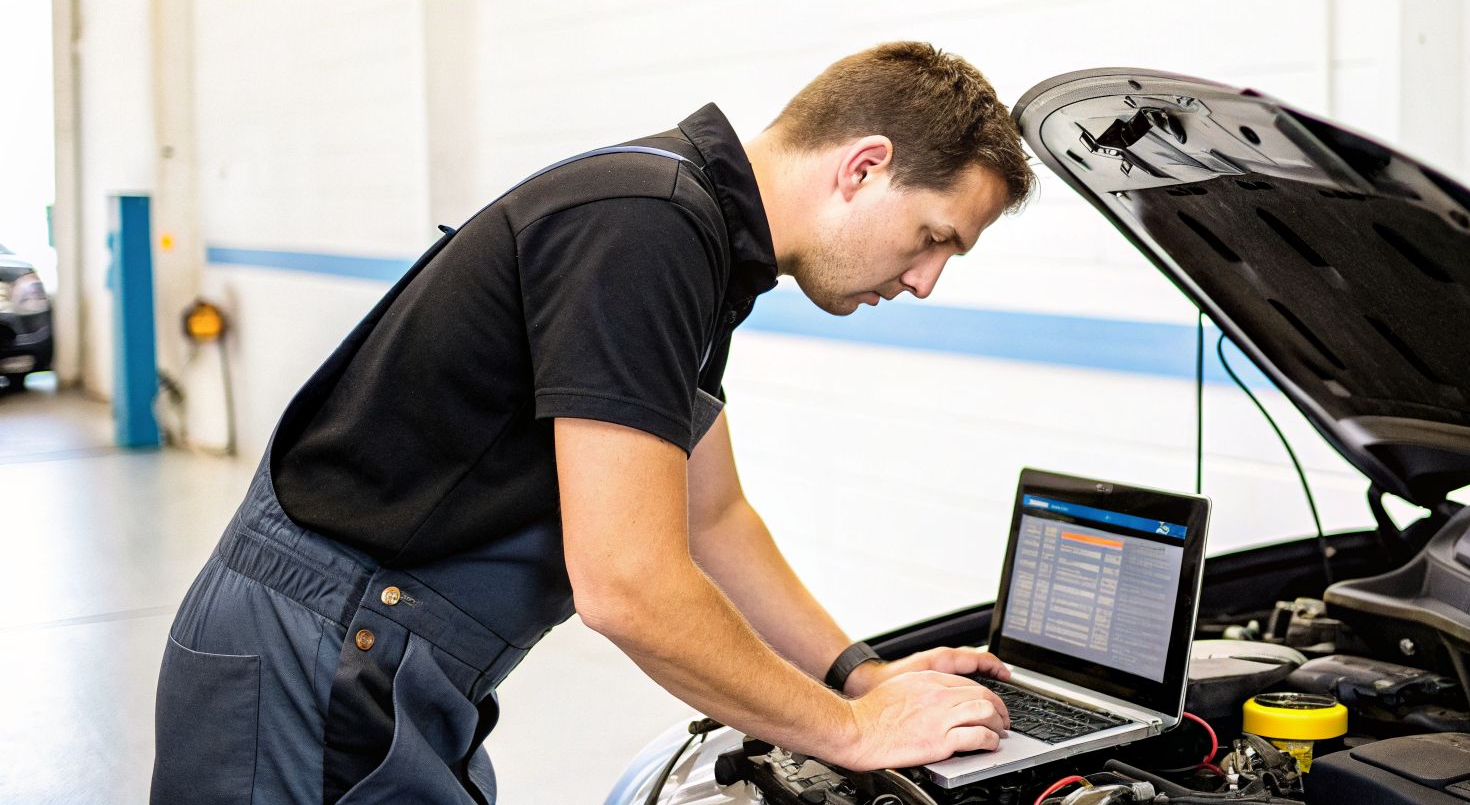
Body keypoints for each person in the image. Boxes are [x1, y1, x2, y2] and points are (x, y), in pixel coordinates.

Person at [150, 41, 1040, 804]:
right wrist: (852, 732)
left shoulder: (695, 242)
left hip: (378, 654)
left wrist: (862, 673)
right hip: (316, 653)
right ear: (863, 166)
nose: (925, 279)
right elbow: (628, 586)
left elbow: (714, 516)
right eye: (934, 236)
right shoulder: (645, 231)